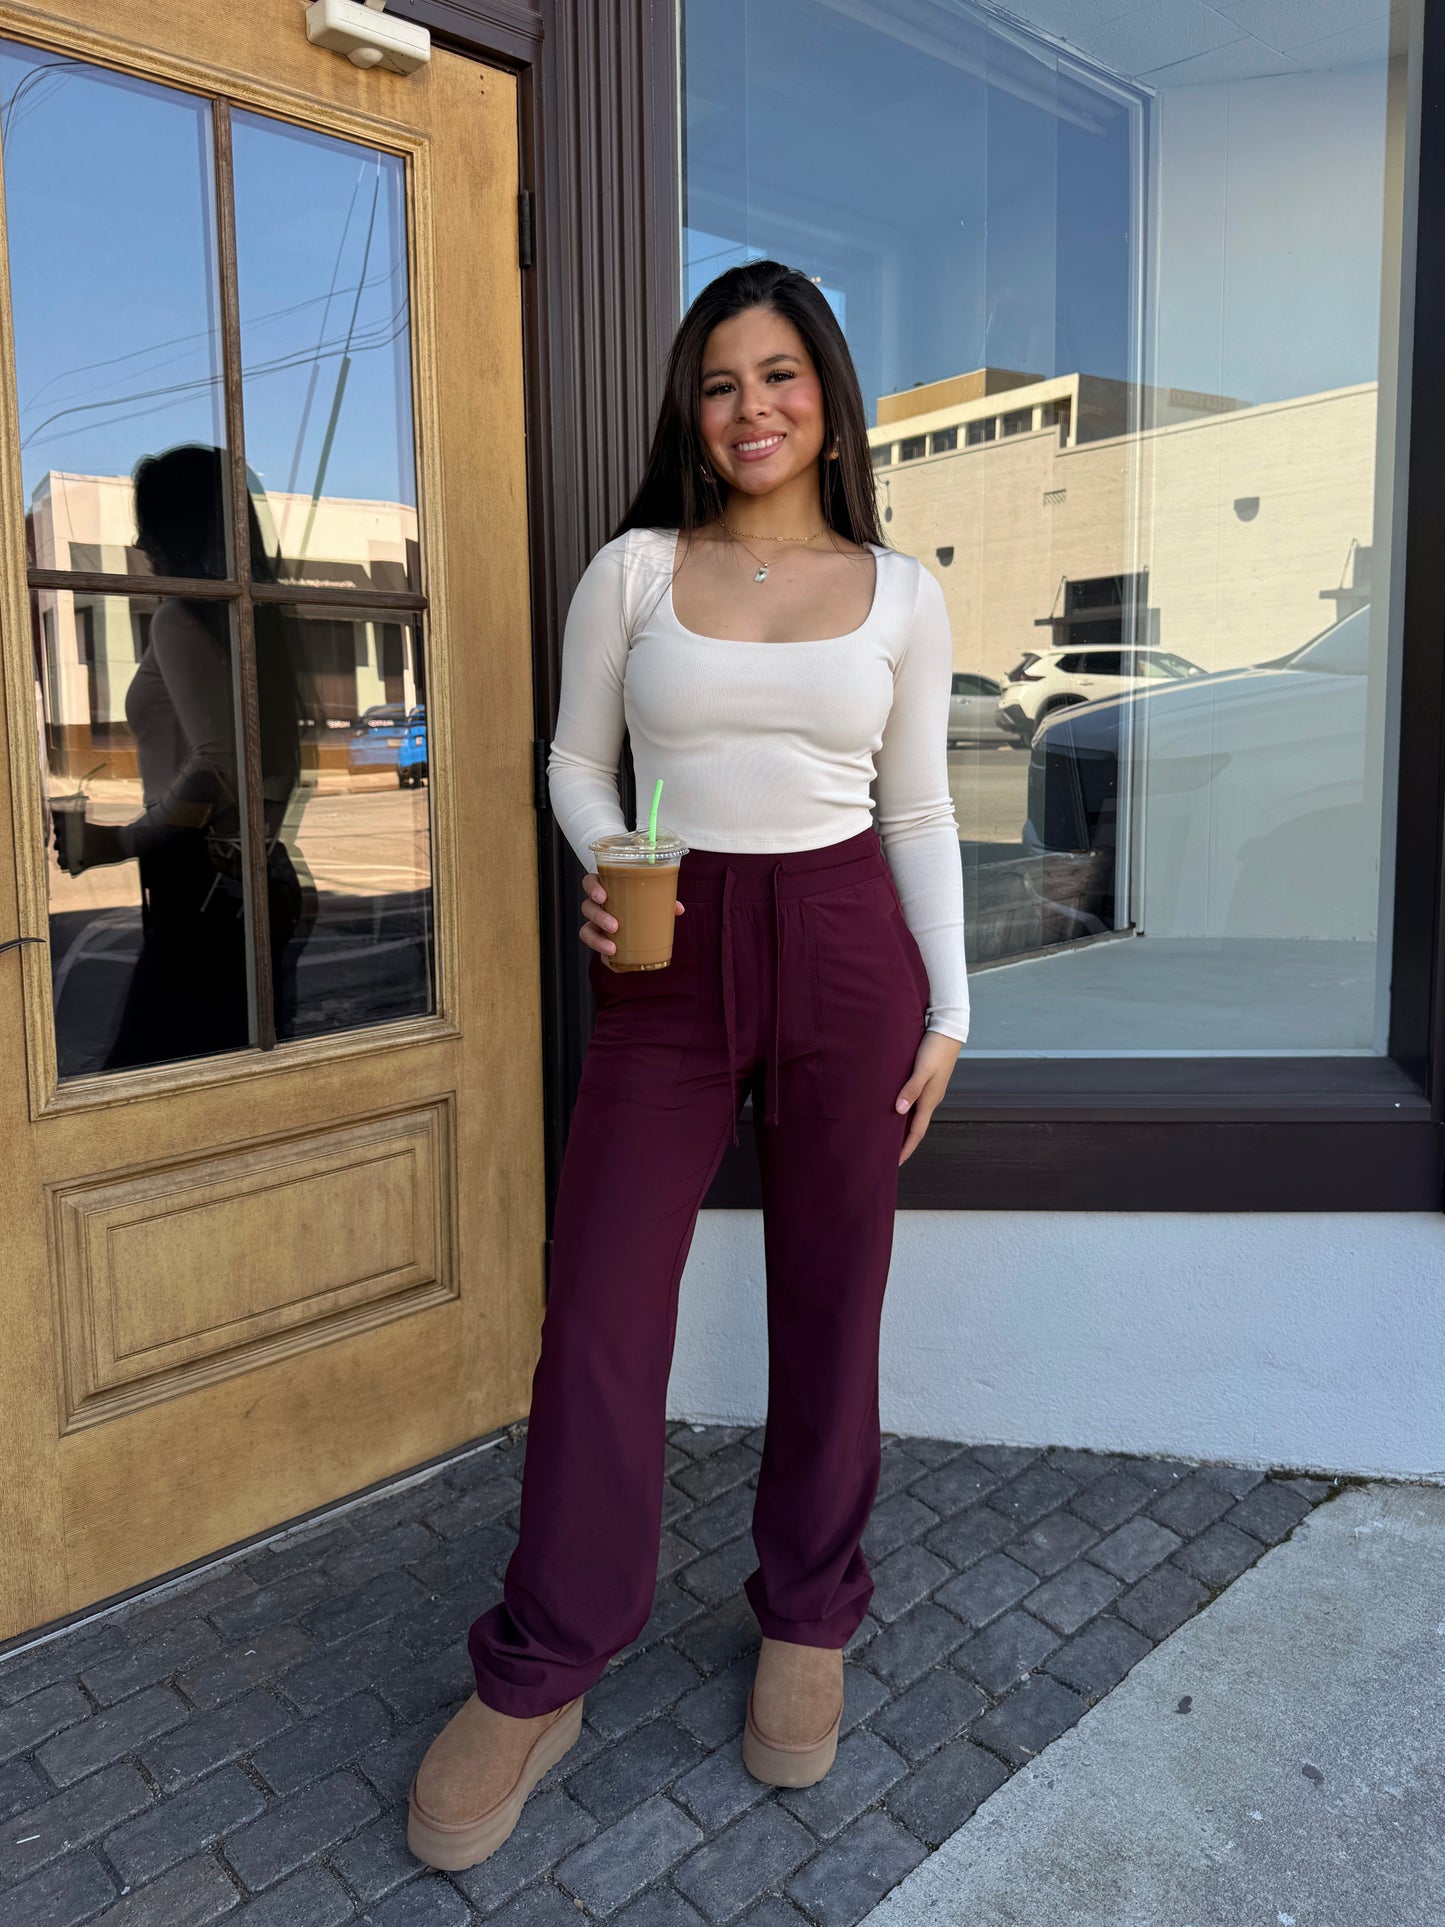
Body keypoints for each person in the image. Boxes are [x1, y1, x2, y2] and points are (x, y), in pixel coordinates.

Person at [407, 260, 969, 1872]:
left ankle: (808, 1607)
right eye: (720, 382)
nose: (750, 408)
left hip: (848, 947)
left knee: (830, 1291)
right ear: (689, 406)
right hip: (665, 952)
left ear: (829, 396)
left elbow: (918, 808)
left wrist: (950, 1010)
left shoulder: (902, 592)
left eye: (780, 375)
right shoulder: (636, 568)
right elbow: (577, 758)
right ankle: (547, 1655)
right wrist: (608, 850)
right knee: (597, 1305)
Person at [53, 443, 309, 1065]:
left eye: (152, 524)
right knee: (236, 1066)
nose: (142, 544)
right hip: (256, 876)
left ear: (178, 531)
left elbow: (220, 762)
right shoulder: (255, 618)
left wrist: (122, 841)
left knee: (150, 1079)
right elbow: (274, 763)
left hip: (200, 886)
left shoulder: (178, 617)